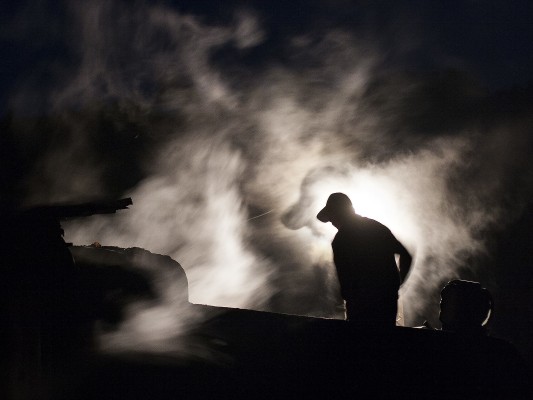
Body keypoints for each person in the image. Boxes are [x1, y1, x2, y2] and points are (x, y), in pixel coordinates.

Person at [317, 192, 412, 327]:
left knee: (361, 345)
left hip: (360, 309)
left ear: (339, 214)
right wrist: (395, 285)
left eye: (332, 217)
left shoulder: (340, 241)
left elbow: (345, 284)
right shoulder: (378, 229)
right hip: (386, 304)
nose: (332, 222)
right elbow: (406, 255)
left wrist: (351, 297)